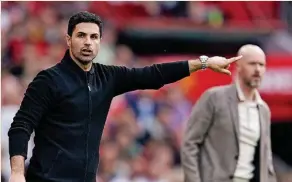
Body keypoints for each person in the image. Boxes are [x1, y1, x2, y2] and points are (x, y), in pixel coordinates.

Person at [8, 11, 241, 182]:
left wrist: (204, 63)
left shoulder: (107, 76)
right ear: (69, 40)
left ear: (100, 41)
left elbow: (153, 74)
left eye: (94, 37)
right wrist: (18, 173)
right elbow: (21, 125)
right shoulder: (48, 80)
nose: (88, 43)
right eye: (81, 36)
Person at [181, 44, 277, 182]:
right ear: (238, 66)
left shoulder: (263, 109)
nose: (257, 70)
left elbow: (266, 159)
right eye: (252, 64)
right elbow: (190, 144)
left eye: (261, 65)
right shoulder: (214, 98)